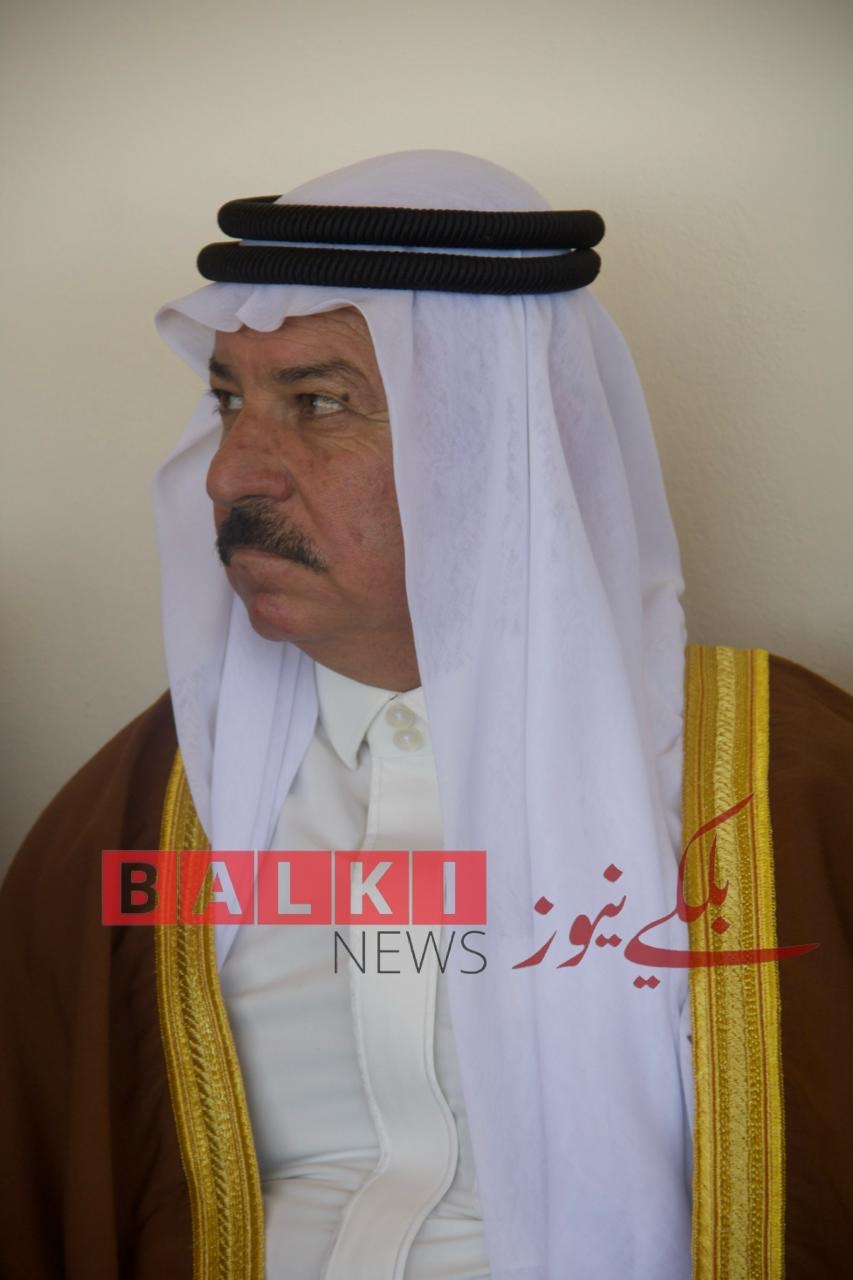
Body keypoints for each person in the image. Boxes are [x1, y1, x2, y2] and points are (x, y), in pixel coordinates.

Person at [1, 150, 851, 1280]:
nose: (230, 473)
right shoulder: (142, 809)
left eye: (318, 404)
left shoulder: (782, 786)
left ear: (506, 443)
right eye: (227, 401)